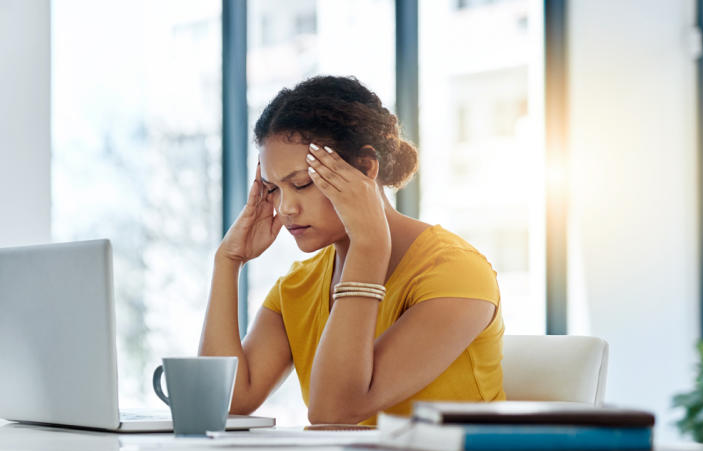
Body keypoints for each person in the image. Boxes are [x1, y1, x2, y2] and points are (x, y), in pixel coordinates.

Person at [199, 76, 505, 426]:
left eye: (302, 184)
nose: (285, 209)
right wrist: (227, 261)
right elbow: (222, 402)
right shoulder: (298, 287)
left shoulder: (456, 272)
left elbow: (334, 412)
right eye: (272, 189)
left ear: (365, 168)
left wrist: (369, 245)